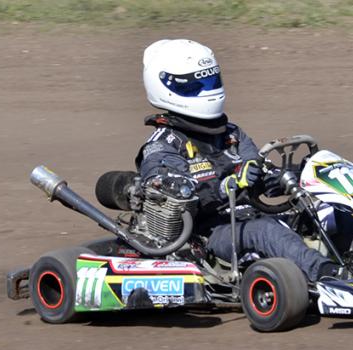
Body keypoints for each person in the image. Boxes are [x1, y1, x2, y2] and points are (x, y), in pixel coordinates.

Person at [135, 39, 336, 282]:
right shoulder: (162, 146)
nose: (208, 90)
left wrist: (291, 176)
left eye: (211, 80)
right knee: (265, 232)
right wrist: (224, 187)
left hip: (250, 215)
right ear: (167, 87)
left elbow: (259, 173)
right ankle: (329, 276)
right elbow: (175, 198)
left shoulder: (231, 134)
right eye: (197, 84)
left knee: (328, 210)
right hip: (209, 234)